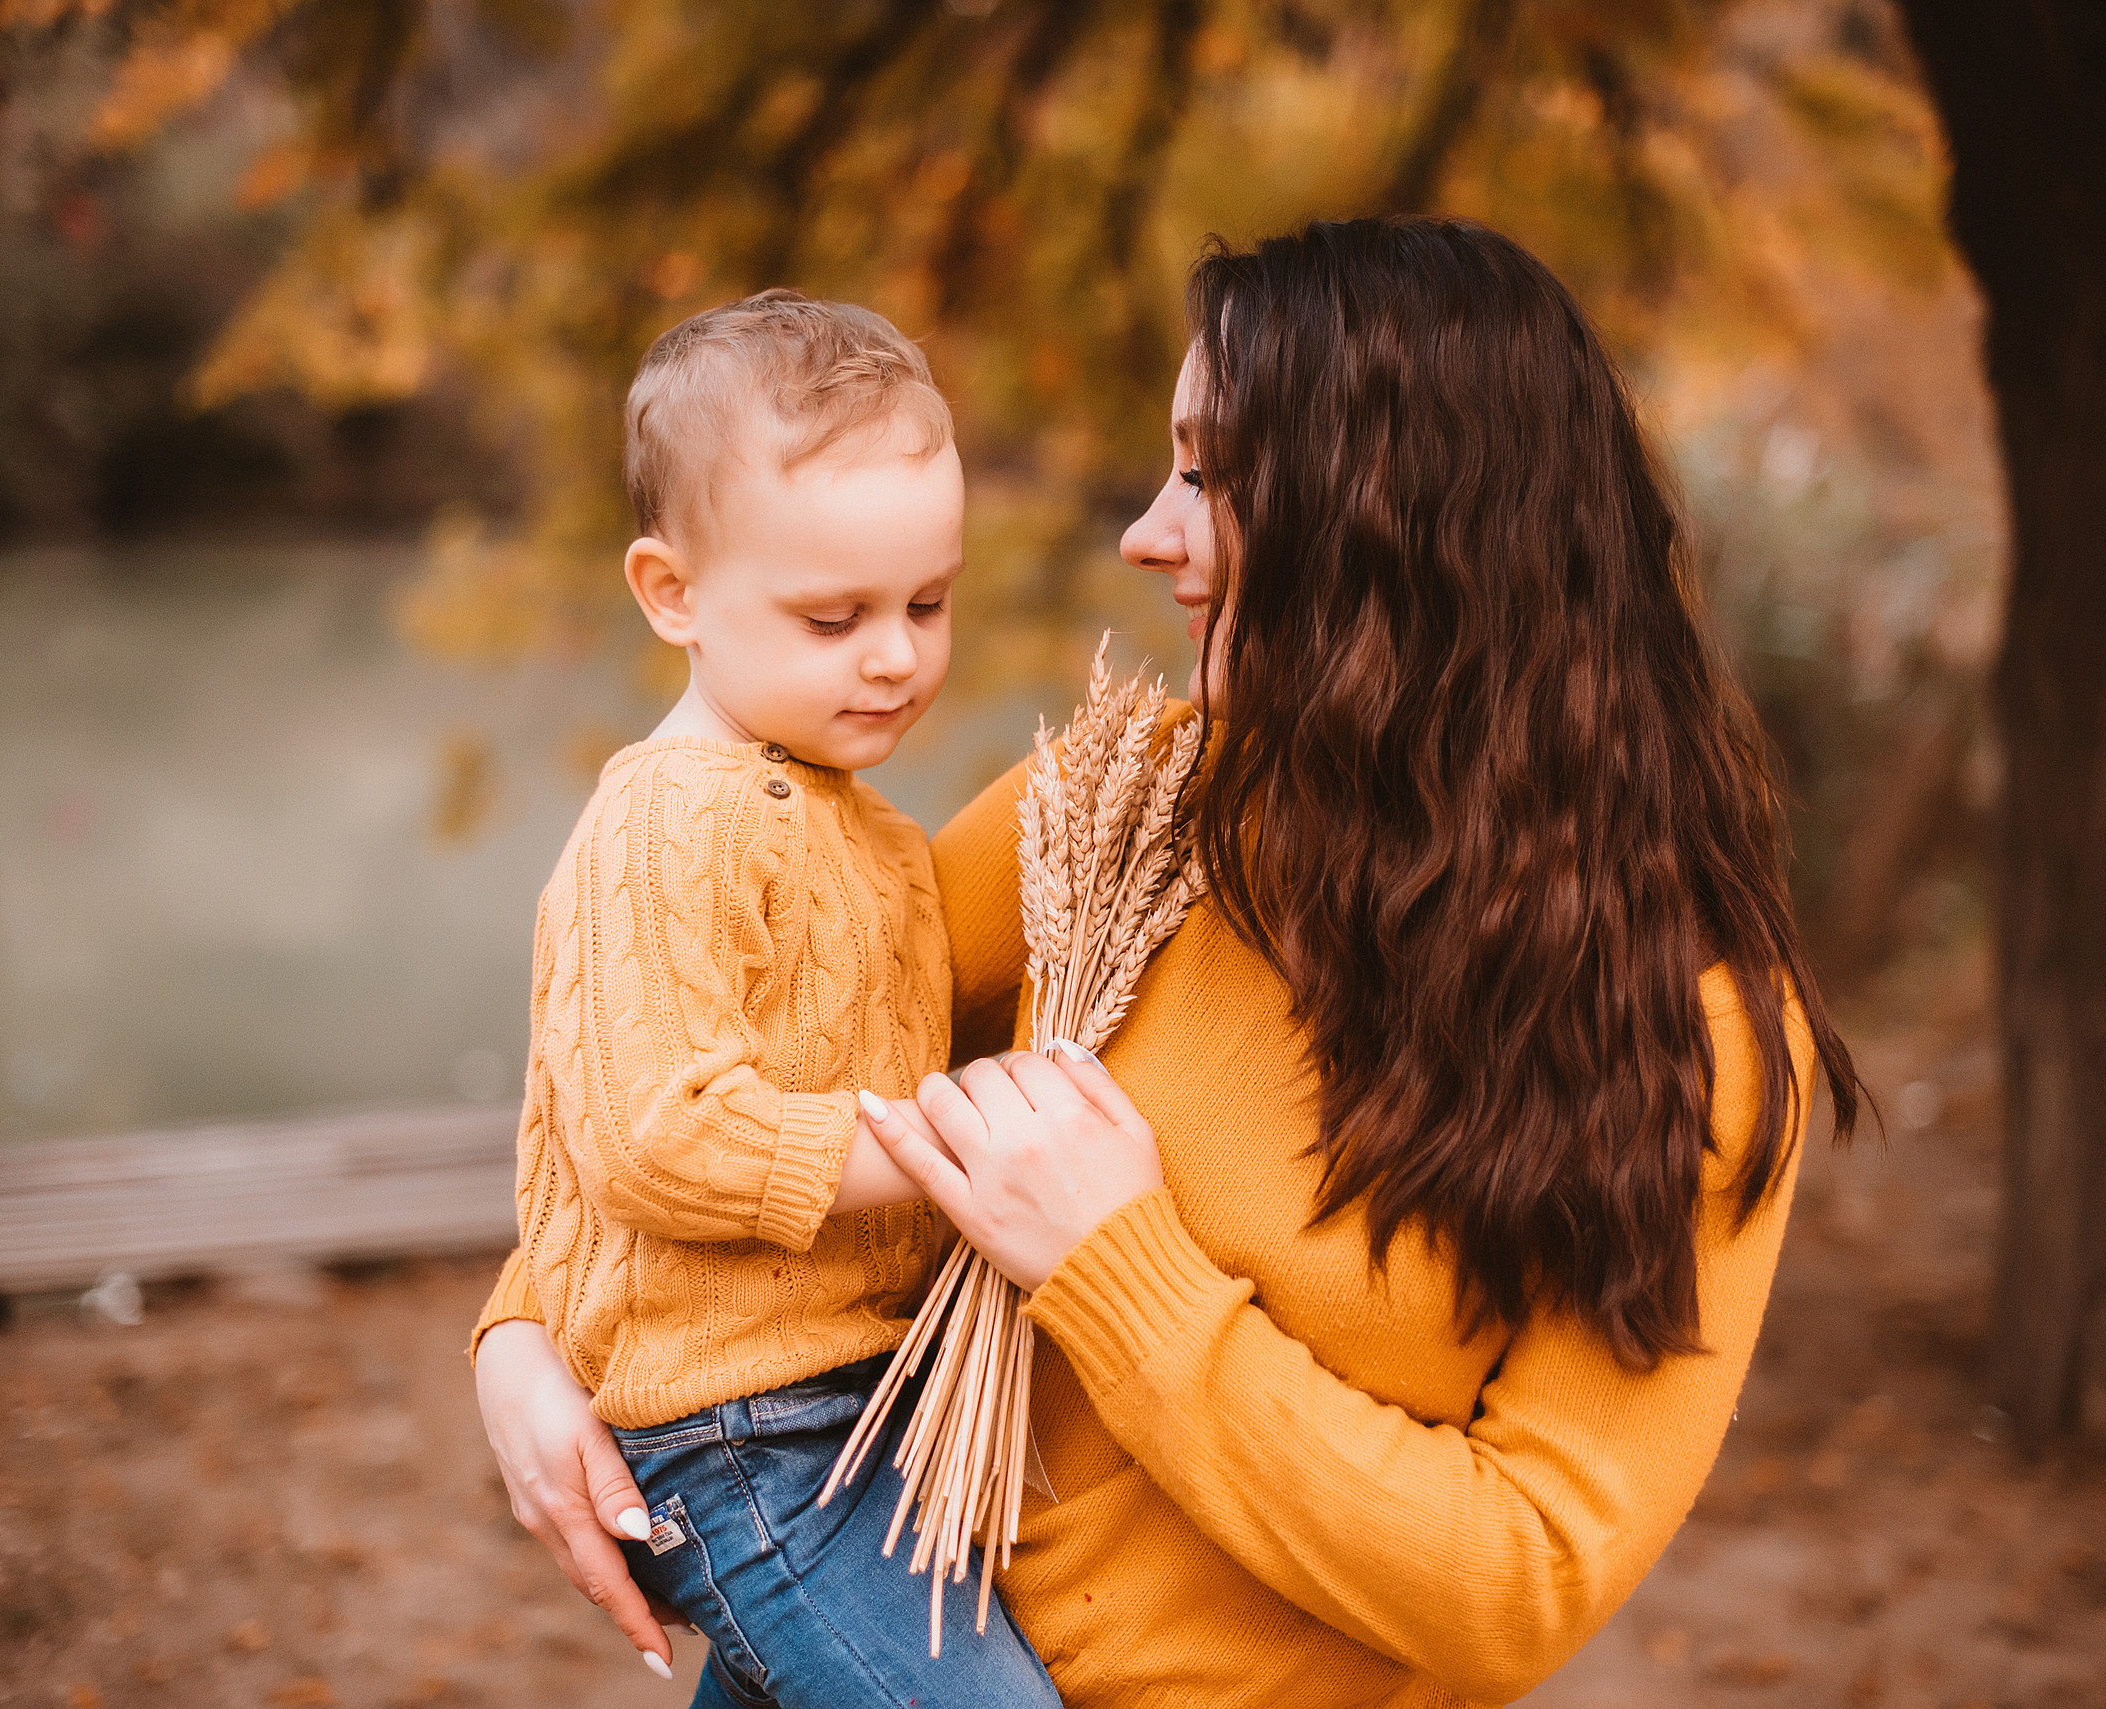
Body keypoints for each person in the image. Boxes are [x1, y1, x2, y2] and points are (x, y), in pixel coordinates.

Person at [475, 218, 1864, 1708]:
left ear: (1390, 516)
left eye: (1207, 475)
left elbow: (1518, 1582)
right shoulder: (1126, 803)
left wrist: (1110, 1260)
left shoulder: (1690, 1026)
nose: (1146, 533)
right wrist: (524, 1333)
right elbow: (746, 1054)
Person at [486, 287, 1063, 1708]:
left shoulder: (879, 839)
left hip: (853, 1406)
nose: (897, 654)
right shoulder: (665, 826)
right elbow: (652, 1137)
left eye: (928, 603)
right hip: (736, 1433)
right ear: (672, 593)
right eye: (834, 616)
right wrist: (940, 1144)